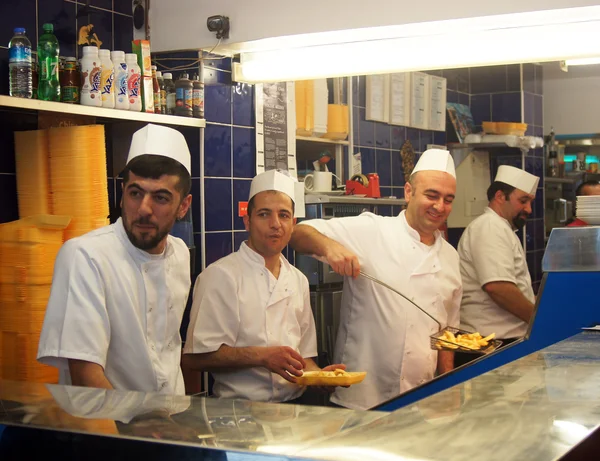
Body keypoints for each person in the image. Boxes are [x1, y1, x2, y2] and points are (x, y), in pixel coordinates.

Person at [290, 149, 462, 410]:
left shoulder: (450, 256)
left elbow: (447, 330)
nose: (440, 206)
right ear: (408, 192)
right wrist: (328, 247)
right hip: (362, 401)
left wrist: (447, 386)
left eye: (448, 199)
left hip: (422, 400)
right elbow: (299, 233)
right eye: (431, 195)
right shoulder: (373, 229)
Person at [37, 123, 193, 394]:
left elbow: (168, 350)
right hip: (112, 427)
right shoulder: (85, 256)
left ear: (183, 206)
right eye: (135, 193)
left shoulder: (180, 253)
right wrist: (129, 433)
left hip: (170, 421)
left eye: (160, 197)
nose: (143, 209)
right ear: (123, 193)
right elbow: (85, 375)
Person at [183, 170, 344, 403]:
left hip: (295, 409)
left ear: (293, 223)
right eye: (264, 214)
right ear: (247, 221)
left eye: (284, 215)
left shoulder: (298, 280)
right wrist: (261, 357)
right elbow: (194, 358)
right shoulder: (219, 276)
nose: (275, 224)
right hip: (239, 412)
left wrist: (319, 376)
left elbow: (303, 359)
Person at [456, 165, 539, 367]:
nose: (528, 209)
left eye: (530, 202)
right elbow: (498, 287)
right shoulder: (489, 227)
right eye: (523, 201)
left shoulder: (501, 228)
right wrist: (540, 320)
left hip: (500, 343)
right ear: (500, 196)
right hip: (489, 346)